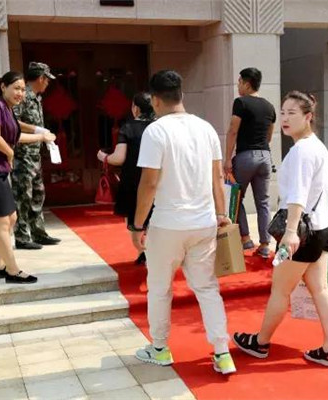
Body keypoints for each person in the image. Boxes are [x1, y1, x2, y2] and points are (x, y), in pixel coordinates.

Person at [130, 70, 236, 375]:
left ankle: (160, 348)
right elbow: (217, 178)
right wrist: (221, 214)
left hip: (167, 224)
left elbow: (149, 183)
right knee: (207, 288)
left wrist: (137, 225)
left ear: (154, 100)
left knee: (159, 288)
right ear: (181, 94)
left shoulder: (156, 131)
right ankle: (222, 352)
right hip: (204, 222)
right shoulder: (206, 128)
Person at [232, 91, 328, 368]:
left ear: (308, 117)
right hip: (323, 227)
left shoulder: (301, 151)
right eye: (282, 112)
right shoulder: (317, 146)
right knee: (320, 288)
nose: (285, 118)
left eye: (292, 113)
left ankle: (260, 342)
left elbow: (298, 196)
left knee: (280, 290)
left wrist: (291, 233)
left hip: (303, 232)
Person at [0, 71, 56, 284]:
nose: (20, 93)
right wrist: (10, 153)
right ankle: (12, 270)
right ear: (3, 87)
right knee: (2, 222)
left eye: (22, 89)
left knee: (11, 218)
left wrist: (41, 136)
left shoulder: (8, 110)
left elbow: (17, 136)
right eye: (16, 88)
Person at [97, 92, 155, 265]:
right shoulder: (159, 126)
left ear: (135, 108)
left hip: (133, 180)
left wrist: (103, 157)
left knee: (134, 215)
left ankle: (142, 250)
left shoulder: (128, 127)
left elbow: (119, 158)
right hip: (157, 178)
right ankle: (152, 249)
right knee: (155, 215)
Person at [223, 67, 275, 258]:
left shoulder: (241, 103)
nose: (238, 85)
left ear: (246, 83)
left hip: (245, 156)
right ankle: (265, 244)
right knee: (263, 202)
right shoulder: (269, 106)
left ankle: (245, 238)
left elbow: (233, 130)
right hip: (265, 157)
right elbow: (269, 136)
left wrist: (227, 159)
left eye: (239, 82)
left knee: (236, 198)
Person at [12, 61, 61, 250]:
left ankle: (38, 233)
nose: (47, 83)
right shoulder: (23, 96)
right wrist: (37, 130)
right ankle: (22, 237)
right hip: (23, 155)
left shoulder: (36, 98)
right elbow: (14, 122)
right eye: (47, 79)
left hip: (34, 155)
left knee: (38, 194)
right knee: (23, 196)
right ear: (41, 78)